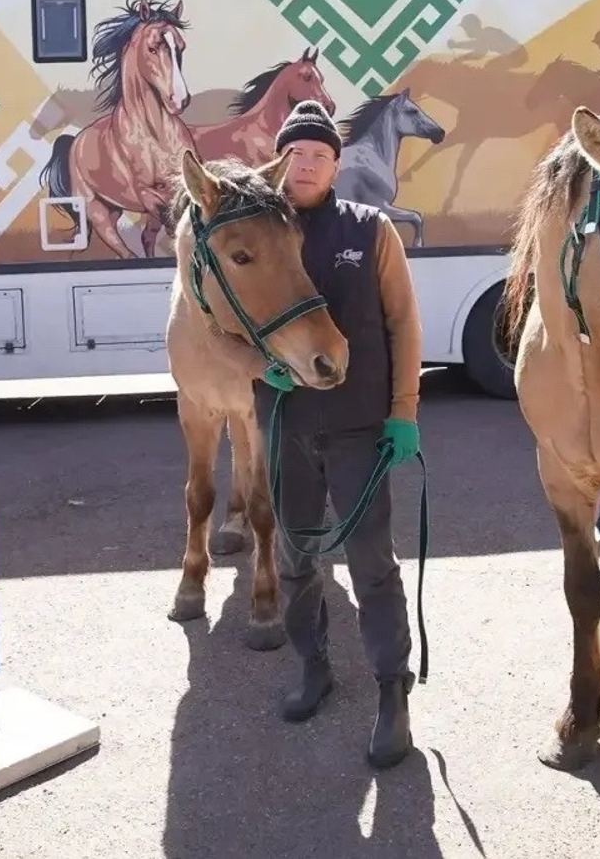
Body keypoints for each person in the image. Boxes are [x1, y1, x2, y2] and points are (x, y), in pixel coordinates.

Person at [255, 99, 425, 769]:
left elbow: (405, 325)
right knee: (296, 558)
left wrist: (404, 411)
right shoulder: (255, 228)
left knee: (372, 563)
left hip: (359, 427)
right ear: (279, 159)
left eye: (319, 155)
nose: (306, 164)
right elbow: (222, 324)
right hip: (282, 424)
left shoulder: (369, 228)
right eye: (296, 153)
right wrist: (254, 363)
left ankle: (392, 689)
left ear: (336, 164)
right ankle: (313, 665)